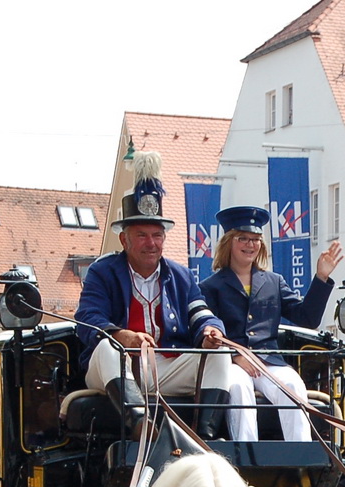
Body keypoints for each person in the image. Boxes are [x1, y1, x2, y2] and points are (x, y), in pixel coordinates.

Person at [74, 152, 243, 440]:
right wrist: (123, 335)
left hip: (165, 365)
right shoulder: (103, 271)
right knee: (105, 348)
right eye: (141, 235)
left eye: (157, 235)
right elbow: (87, 320)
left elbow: (201, 314)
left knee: (220, 354)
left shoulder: (181, 275)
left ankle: (206, 439)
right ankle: (140, 424)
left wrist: (211, 331)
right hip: (117, 367)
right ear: (123, 239)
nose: (150, 243)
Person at [199, 206, 343, 443]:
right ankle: (246, 454)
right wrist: (235, 356)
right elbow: (209, 331)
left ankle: (300, 457)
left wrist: (321, 278)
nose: (250, 244)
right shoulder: (210, 287)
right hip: (232, 362)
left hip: (269, 362)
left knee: (293, 385)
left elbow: (307, 318)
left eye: (255, 239)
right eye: (242, 238)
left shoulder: (274, 282)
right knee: (238, 389)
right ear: (228, 243)